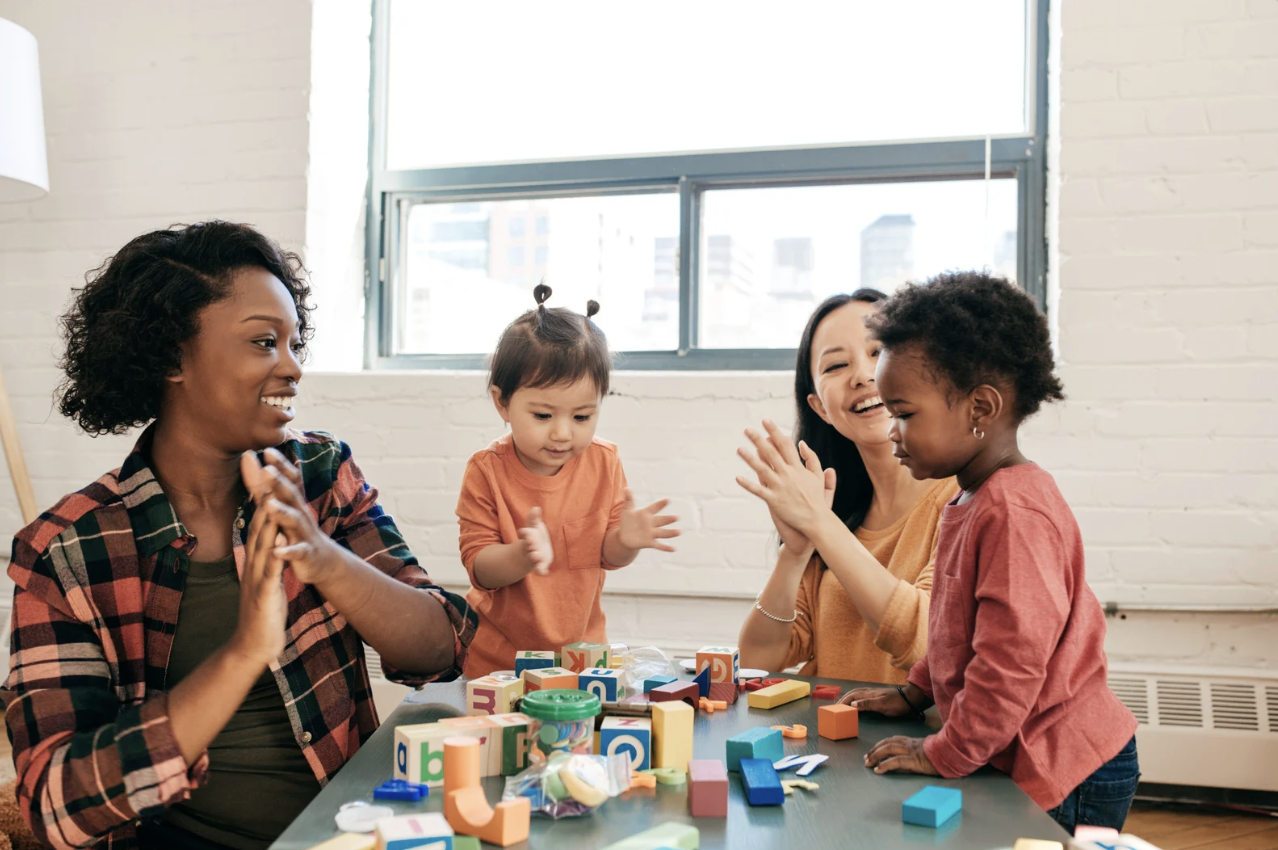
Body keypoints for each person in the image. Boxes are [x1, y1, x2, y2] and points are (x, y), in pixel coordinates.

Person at [2, 222, 477, 850]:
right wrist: (244, 651)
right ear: (172, 356)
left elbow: (441, 648)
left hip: (354, 831)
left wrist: (324, 558)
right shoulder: (65, 550)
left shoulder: (320, 476)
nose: (293, 367)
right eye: (263, 342)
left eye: (293, 342)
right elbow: (57, 808)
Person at [845, 271, 1139, 834]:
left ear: (980, 406)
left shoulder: (1013, 513)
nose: (891, 432)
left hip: (1065, 764)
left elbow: (1011, 664)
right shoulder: (972, 494)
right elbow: (958, 625)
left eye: (904, 414)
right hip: (1016, 747)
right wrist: (917, 690)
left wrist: (944, 752)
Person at [456, 284, 679, 678]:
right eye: (543, 416)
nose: (562, 433)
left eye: (582, 417)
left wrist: (625, 542)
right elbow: (479, 567)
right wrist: (521, 556)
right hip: (499, 665)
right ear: (502, 403)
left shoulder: (604, 462)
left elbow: (608, 556)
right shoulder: (486, 470)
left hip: (584, 661)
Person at [736, 291, 957, 684]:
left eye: (879, 352)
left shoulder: (962, 500)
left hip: (919, 746)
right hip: (833, 745)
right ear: (820, 407)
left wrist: (820, 523)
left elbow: (926, 644)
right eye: (836, 365)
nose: (862, 375)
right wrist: (796, 553)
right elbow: (757, 660)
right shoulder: (836, 513)